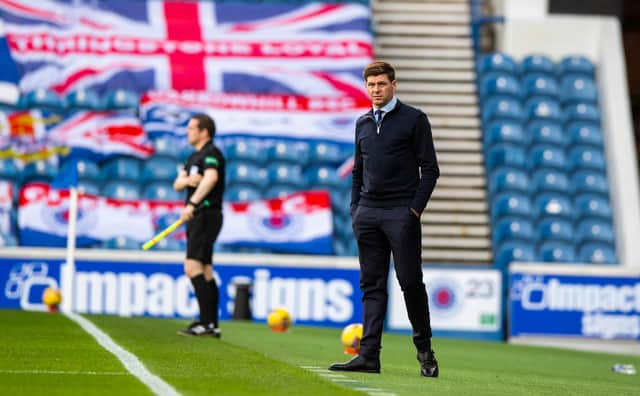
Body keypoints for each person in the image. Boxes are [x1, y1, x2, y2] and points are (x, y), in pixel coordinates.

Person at [329, 61, 440, 377]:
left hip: (400, 214)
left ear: (393, 85)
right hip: (368, 214)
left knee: (409, 282)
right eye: (371, 85)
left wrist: (413, 211)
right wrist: (356, 209)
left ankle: (425, 351)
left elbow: (430, 170)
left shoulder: (414, 120)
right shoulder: (362, 122)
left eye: (381, 84)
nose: (375, 90)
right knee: (372, 285)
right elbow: (358, 171)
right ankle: (368, 356)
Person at [173, 113, 225, 337]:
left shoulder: (211, 153)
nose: (188, 131)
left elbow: (211, 178)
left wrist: (192, 203)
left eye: (192, 128)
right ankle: (210, 323)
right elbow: (177, 183)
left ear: (204, 131)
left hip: (205, 213)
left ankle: (206, 323)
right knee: (205, 271)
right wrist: (186, 181)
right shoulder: (193, 157)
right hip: (199, 215)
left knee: (192, 267)